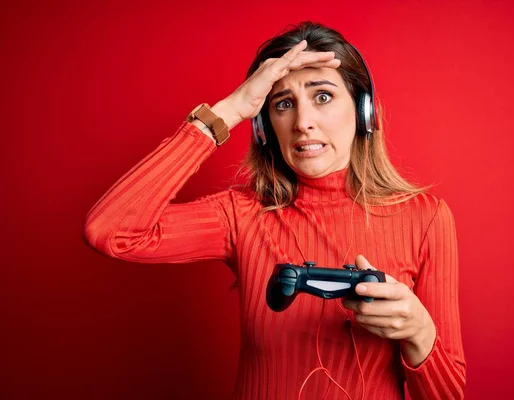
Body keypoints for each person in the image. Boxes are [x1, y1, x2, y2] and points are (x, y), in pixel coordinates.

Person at [83, 21, 466, 400]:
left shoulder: (425, 218)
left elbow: (447, 396)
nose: (303, 123)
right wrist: (228, 112)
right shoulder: (242, 214)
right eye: (283, 104)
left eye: (323, 96)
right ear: (265, 128)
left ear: (364, 112)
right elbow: (110, 231)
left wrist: (419, 332)